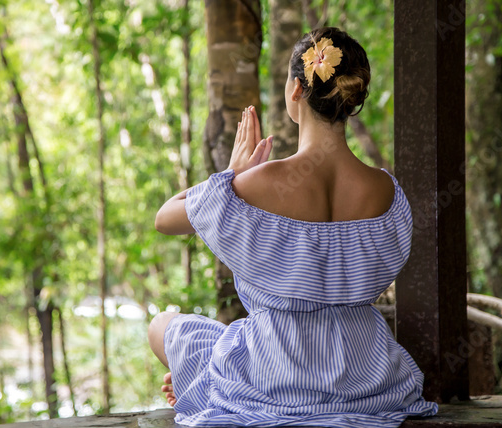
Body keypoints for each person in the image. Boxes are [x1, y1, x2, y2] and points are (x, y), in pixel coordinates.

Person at [148, 27, 438, 427]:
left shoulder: (254, 185)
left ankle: (201, 382)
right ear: (352, 99)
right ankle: (200, 379)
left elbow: (165, 218)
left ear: (296, 92)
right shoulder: (387, 192)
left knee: (162, 325)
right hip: (367, 381)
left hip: (272, 379)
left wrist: (229, 177)